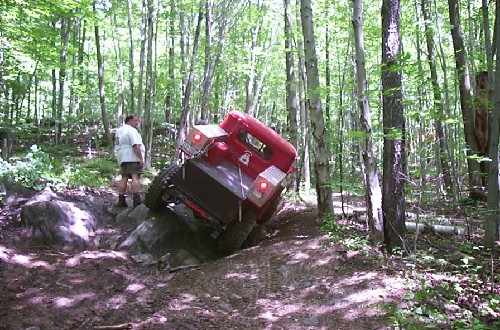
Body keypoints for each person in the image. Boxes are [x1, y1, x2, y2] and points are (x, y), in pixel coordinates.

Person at [114, 114, 145, 208]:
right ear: (130, 121)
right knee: (135, 177)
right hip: (132, 156)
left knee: (124, 177)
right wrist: (140, 158)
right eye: (135, 120)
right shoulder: (132, 131)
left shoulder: (119, 131)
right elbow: (135, 145)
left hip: (122, 157)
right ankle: (137, 200)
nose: (137, 122)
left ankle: (121, 200)